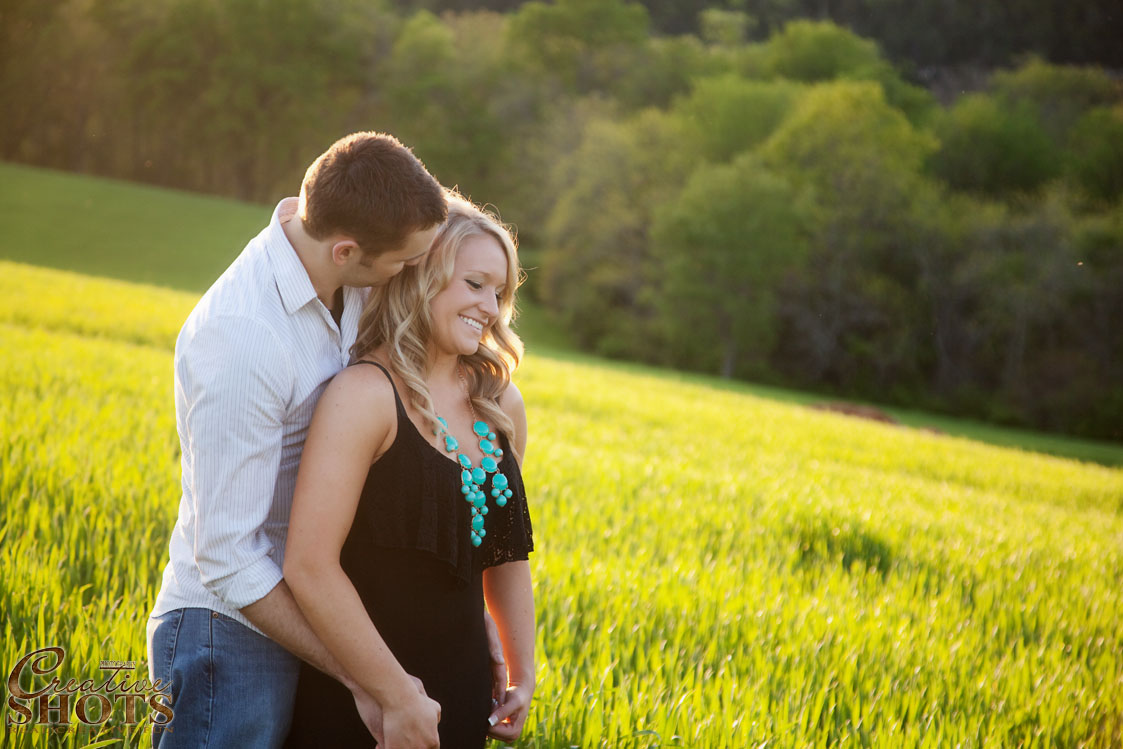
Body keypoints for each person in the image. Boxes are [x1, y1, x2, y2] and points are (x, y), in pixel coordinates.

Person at [146, 131, 449, 748]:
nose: (410, 273)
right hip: (228, 635)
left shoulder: (340, 264)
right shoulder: (243, 336)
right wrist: (367, 679)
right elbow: (227, 556)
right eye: (402, 263)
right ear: (347, 251)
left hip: (302, 612)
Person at [283, 194, 536, 748]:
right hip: (366, 697)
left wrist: (524, 672)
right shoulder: (363, 395)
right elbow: (309, 564)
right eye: (475, 284)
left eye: (499, 293)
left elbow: (505, 553)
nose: (490, 308)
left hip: (465, 692)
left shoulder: (500, 402)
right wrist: (393, 693)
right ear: (421, 276)